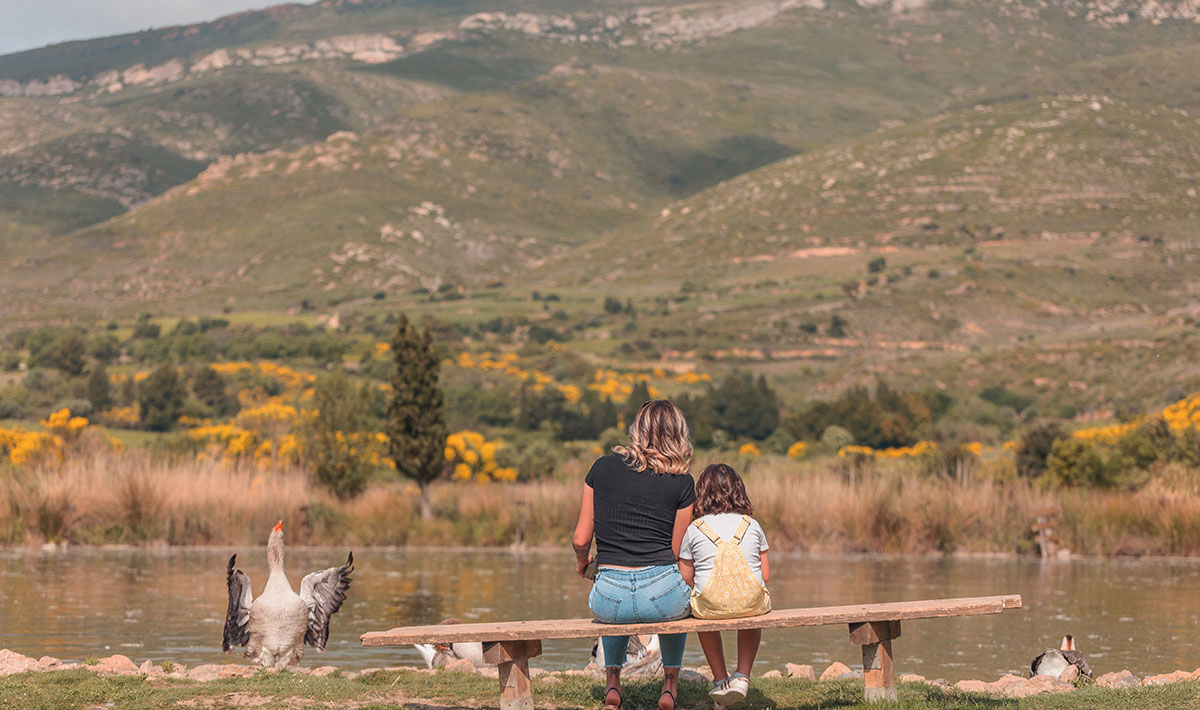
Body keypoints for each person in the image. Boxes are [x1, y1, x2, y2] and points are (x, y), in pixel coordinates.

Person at [573, 400, 696, 710]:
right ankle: (669, 686)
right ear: (678, 434)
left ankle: (612, 683)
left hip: (609, 600)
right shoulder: (682, 482)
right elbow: (678, 553)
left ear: (637, 430)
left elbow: (580, 539)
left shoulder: (602, 468)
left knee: (612, 590)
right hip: (662, 598)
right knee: (679, 591)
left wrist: (582, 562)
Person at [678, 463, 771, 706]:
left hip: (710, 606)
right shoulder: (752, 525)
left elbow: (686, 576)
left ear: (702, 493)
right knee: (753, 607)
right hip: (751, 602)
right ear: (739, 490)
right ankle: (742, 676)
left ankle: (721, 680)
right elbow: (766, 574)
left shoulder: (694, 529)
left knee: (701, 617)